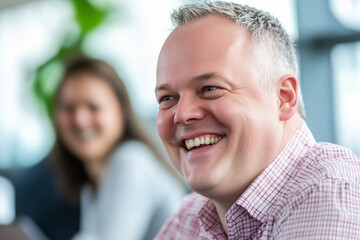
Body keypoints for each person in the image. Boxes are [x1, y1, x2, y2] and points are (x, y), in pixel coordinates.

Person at [154, 1, 360, 239]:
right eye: (167, 98)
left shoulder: (329, 194)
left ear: (284, 97)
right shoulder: (190, 216)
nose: (182, 114)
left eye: (210, 88)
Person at [51, 58, 185, 240]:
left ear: (120, 110)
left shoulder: (130, 161)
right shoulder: (91, 186)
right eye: (68, 108)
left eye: (93, 107)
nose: (80, 120)